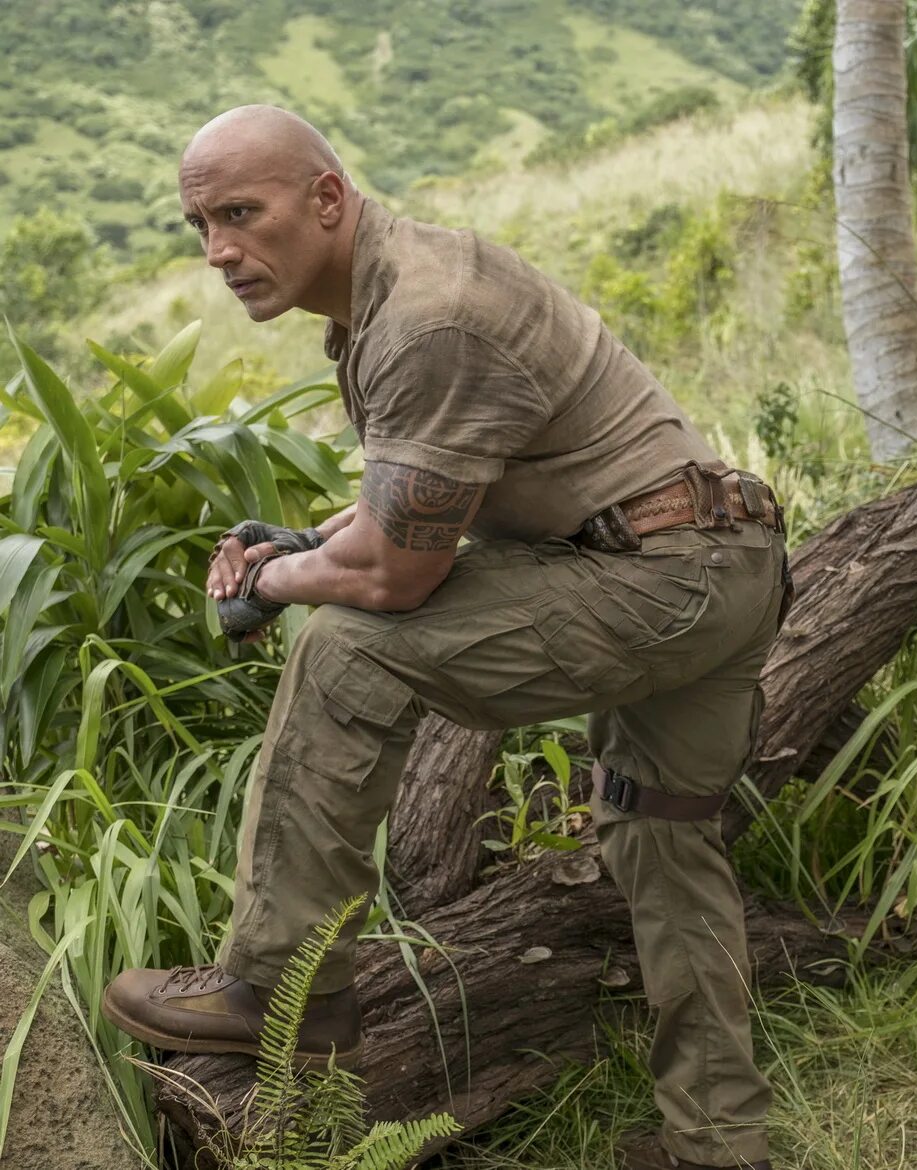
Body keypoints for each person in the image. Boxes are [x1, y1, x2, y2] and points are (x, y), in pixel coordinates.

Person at [99, 105, 788, 1170]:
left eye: (241, 213)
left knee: (347, 647)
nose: (219, 252)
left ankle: (282, 991)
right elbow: (425, 496)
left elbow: (393, 571)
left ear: (325, 198)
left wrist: (274, 581)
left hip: (660, 583)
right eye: (199, 225)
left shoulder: (425, 317)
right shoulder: (395, 288)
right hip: (718, 560)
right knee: (661, 835)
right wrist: (305, 538)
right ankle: (723, 1139)